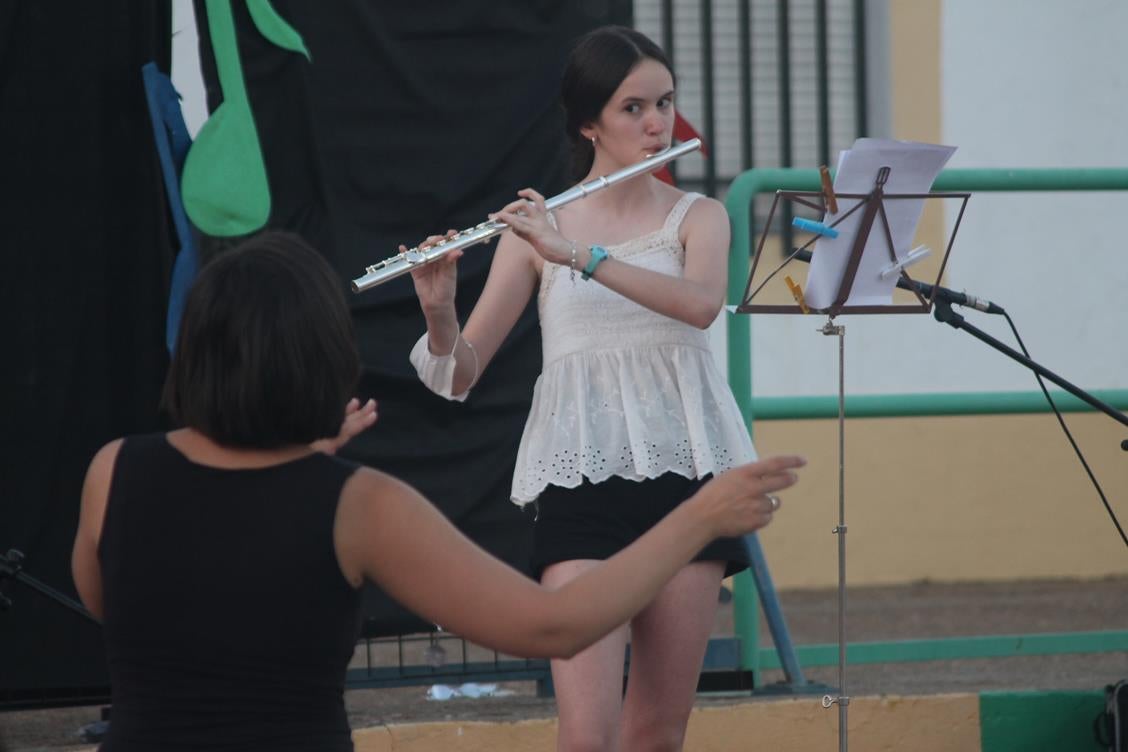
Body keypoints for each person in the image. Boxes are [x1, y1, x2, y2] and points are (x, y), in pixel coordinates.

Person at [70, 231, 802, 751]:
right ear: (322, 359)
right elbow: (553, 626)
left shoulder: (115, 470)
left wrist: (297, 464)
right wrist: (701, 514)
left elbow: (122, 608)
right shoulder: (355, 504)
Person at [408, 25, 787, 752]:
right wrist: (438, 310)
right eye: (633, 108)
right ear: (588, 124)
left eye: (665, 103)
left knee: (657, 735)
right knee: (586, 736)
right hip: (582, 480)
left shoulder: (696, 219)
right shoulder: (535, 232)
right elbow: (457, 377)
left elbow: (701, 305)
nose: (657, 123)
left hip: (687, 477)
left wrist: (578, 254)